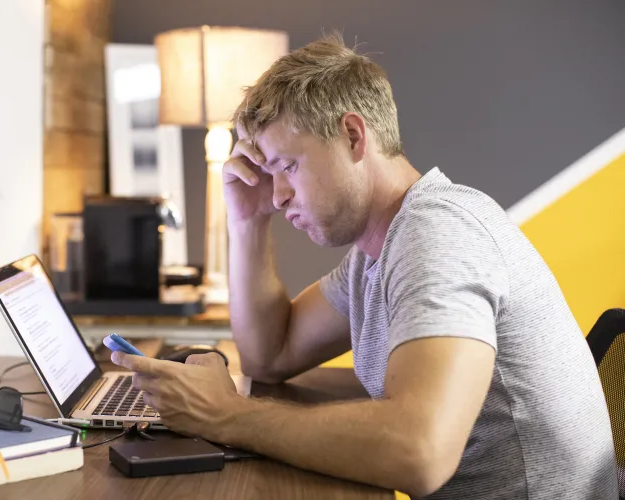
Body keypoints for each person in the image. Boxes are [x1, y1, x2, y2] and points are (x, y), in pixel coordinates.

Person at [111, 33, 618, 499]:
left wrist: (224, 414)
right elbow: (270, 354)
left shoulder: (438, 234)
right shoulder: (376, 252)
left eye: (288, 166)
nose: (279, 194)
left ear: (354, 136)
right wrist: (247, 221)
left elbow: (419, 451)